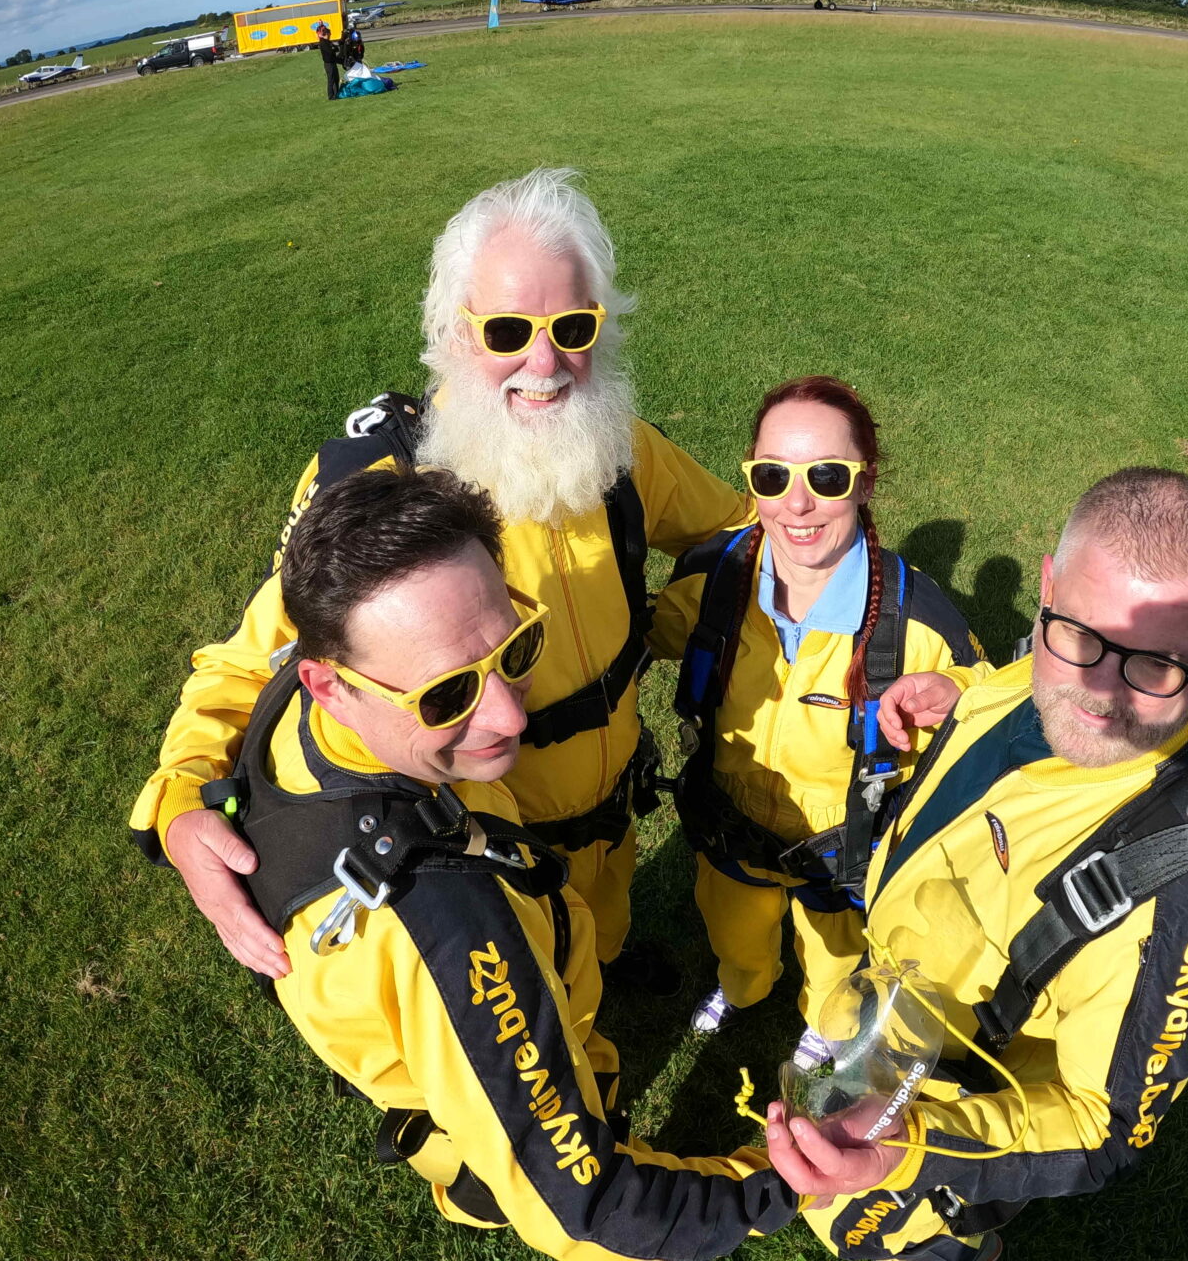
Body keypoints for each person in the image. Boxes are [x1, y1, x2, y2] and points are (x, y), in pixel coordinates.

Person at [129, 168, 751, 994]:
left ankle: (608, 959)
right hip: (485, 852)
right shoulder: (388, 494)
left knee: (601, 942)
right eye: (506, 331)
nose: (545, 362)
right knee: (540, 1011)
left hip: (614, 817)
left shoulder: (621, 447)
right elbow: (252, 664)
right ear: (454, 334)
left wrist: (695, 609)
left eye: (572, 326)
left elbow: (740, 531)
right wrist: (179, 798)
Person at [219, 464, 795, 1254]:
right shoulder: (448, 926)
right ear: (329, 685)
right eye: (447, 695)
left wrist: (182, 804)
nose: (508, 715)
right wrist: (786, 1184)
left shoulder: (309, 692)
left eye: (518, 647)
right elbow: (590, 1211)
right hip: (488, 1104)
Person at [765, 468, 1188, 1260]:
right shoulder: (1054, 662)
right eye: (1077, 636)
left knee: (878, 1237)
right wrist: (963, 695)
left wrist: (910, 1150)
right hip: (889, 1012)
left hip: (944, 1110)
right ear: (1048, 590)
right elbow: (1019, 694)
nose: (1099, 699)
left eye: (1156, 667)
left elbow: (1100, 1126)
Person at [650, 377, 983, 1036]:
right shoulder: (716, 580)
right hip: (729, 827)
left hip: (843, 851)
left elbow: (1000, 712)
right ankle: (743, 987)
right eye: (772, 476)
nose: (797, 503)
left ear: (866, 482)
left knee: (835, 965)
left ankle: (824, 1027)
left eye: (827, 476)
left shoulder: (917, 620)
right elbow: (639, 639)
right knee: (735, 936)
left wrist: (960, 696)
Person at [316, 21, 343, 99]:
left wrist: (334, 48)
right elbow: (330, 51)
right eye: (329, 34)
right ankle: (331, 96)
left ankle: (336, 93)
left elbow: (336, 48)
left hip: (333, 62)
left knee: (336, 78)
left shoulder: (328, 42)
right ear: (326, 34)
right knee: (331, 80)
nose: (330, 36)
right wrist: (333, 49)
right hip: (328, 63)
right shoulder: (323, 42)